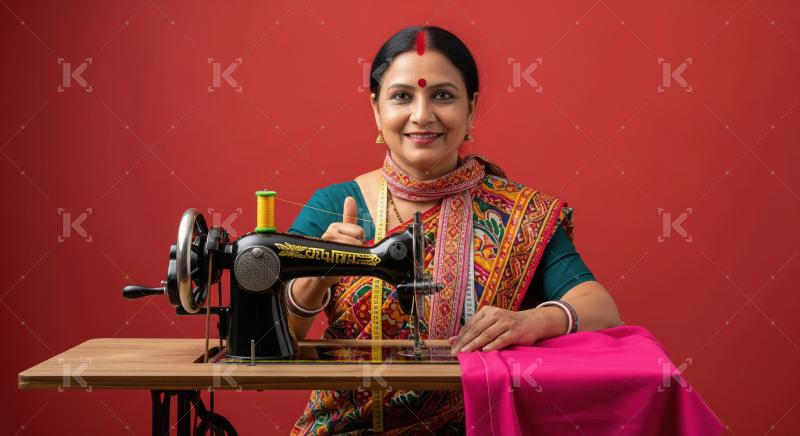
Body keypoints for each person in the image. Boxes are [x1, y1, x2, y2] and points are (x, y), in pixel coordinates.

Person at [287, 25, 622, 435]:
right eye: (402, 96)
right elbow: (270, 337)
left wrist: (530, 322)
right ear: (376, 109)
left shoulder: (520, 215)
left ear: (472, 108)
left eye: (442, 95)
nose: (422, 115)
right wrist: (315, 279)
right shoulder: (334, 207)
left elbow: (601, 311)